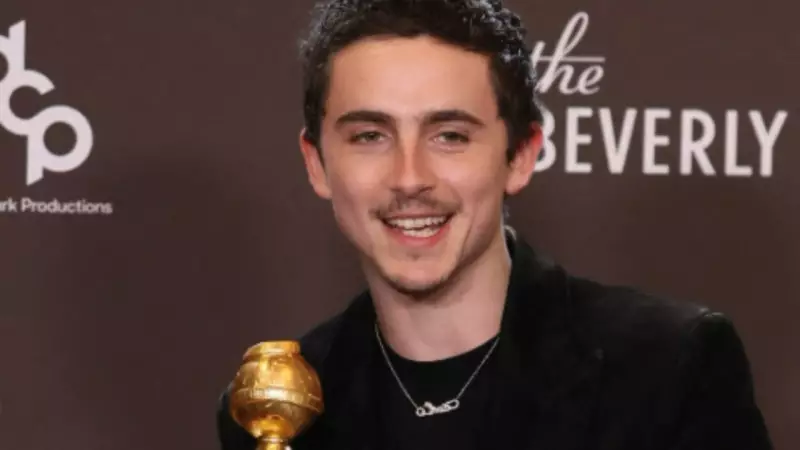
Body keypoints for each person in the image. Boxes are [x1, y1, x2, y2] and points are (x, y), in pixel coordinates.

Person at [216, 0, 773, 449]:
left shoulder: (668, 370)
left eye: (450, 136)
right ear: (316, 163)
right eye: (370, 136)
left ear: (521, 154)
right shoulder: (278, 407)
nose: (409, 178)